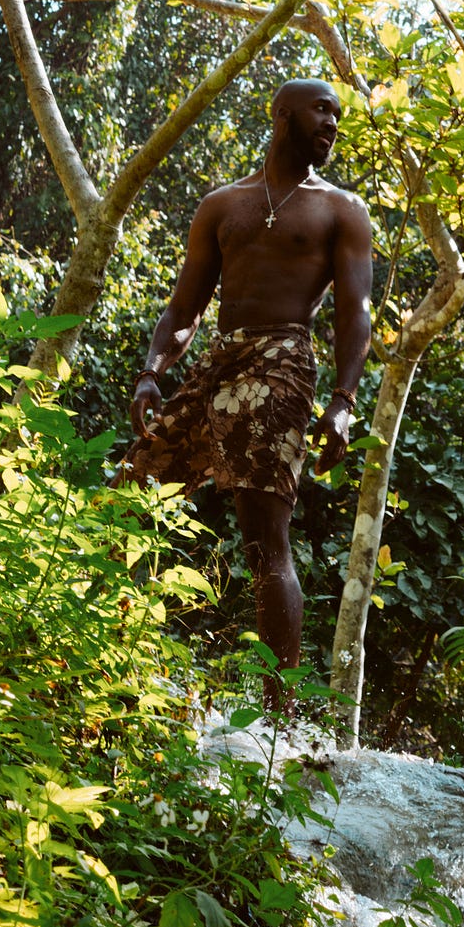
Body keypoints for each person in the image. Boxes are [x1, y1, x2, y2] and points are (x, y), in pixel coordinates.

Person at [116, 78, 372, 708]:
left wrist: (343, 403)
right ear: (282, 115)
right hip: (219, 363)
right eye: (321, 110)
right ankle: (103, 667)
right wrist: (151, 372)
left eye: (338, 115)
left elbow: (355, 314)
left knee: (263, 536)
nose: (332, 124)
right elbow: (185, 309)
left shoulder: (341, 210)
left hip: (283, 360)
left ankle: (277, 722)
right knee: (129, 496)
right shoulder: (222, 205)